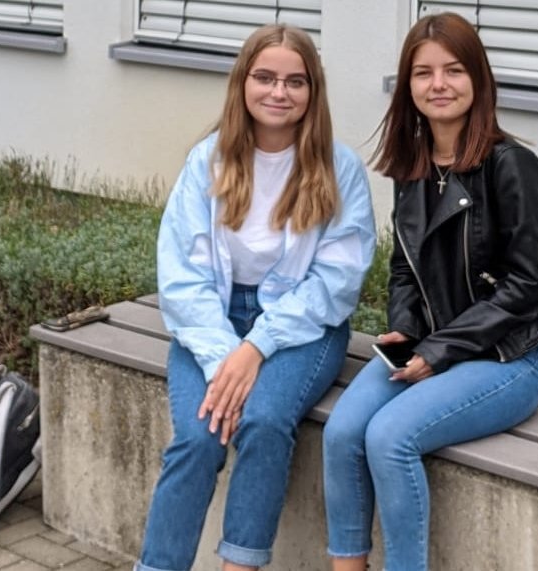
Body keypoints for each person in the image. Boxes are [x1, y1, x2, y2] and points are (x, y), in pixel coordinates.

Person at [322, 12, 538, 571]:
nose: (439, 84)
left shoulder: (514, 168)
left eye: (454, 70)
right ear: (407, 86)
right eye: (423, 72)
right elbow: (404, 268)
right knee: (342, 433)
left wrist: (438, 350)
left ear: (478, 79)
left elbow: (530, 287)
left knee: (389, 438)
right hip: (430, 347)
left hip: (505, 359)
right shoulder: (413, 166)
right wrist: (405, 328)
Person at [137, 24, 376, 571]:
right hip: (210, 321)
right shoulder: (208, 161)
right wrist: (227, 356)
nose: (279, 92)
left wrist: (257, 347)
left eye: (295, 81)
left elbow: (335, 283)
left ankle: (240, 565)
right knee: (200, 436)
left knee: (264, 420)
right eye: (265, 77)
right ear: (242, 82)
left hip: (304, 328)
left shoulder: (339, 170)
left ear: (313, 90)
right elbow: (182, 279)